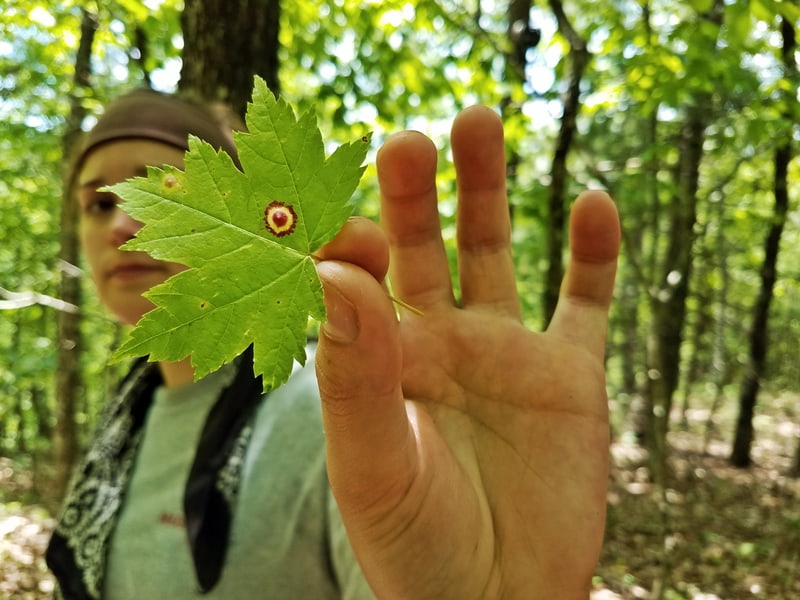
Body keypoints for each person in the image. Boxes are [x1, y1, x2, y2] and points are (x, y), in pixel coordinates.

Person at [47, 88, 621, 600]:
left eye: (164, 190)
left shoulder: (330, 416)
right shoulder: (125, 423)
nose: (122, 224)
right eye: (99, 202)